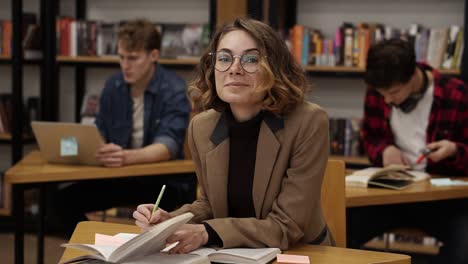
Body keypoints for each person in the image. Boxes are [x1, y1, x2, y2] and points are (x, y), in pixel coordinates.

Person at [133, 17, 333, 253]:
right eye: (224, 58)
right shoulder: (201, 127)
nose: (234, 69)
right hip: (233, 253)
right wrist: (170, 221)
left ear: (275, 68)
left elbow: (286, 226)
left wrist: (207, 232)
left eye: (250, 59)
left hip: (299, 252)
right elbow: (210, 203)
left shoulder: (309, 122)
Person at [52, 19, 193, 235]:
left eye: (133, 58)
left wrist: (126, 157)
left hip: (163, 181)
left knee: (164, 215)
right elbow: (99, 133)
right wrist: (78, 148)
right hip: (120, 176)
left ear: (154, 55)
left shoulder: (173, 88)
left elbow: (168, 146)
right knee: (59, 202)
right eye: (121, 57)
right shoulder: (113, 85)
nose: (125, 65)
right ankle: (96, 249)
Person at [348, 38, 468, 264]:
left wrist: (454, 150)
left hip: (443, 200)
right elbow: (371, 137)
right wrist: (385, 151)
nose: (387, 100)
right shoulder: (379, 92)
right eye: (382, 93)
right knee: (338, 227)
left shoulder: (457, 94)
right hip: (389, 195)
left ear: (413, 74)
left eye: (393, 92)